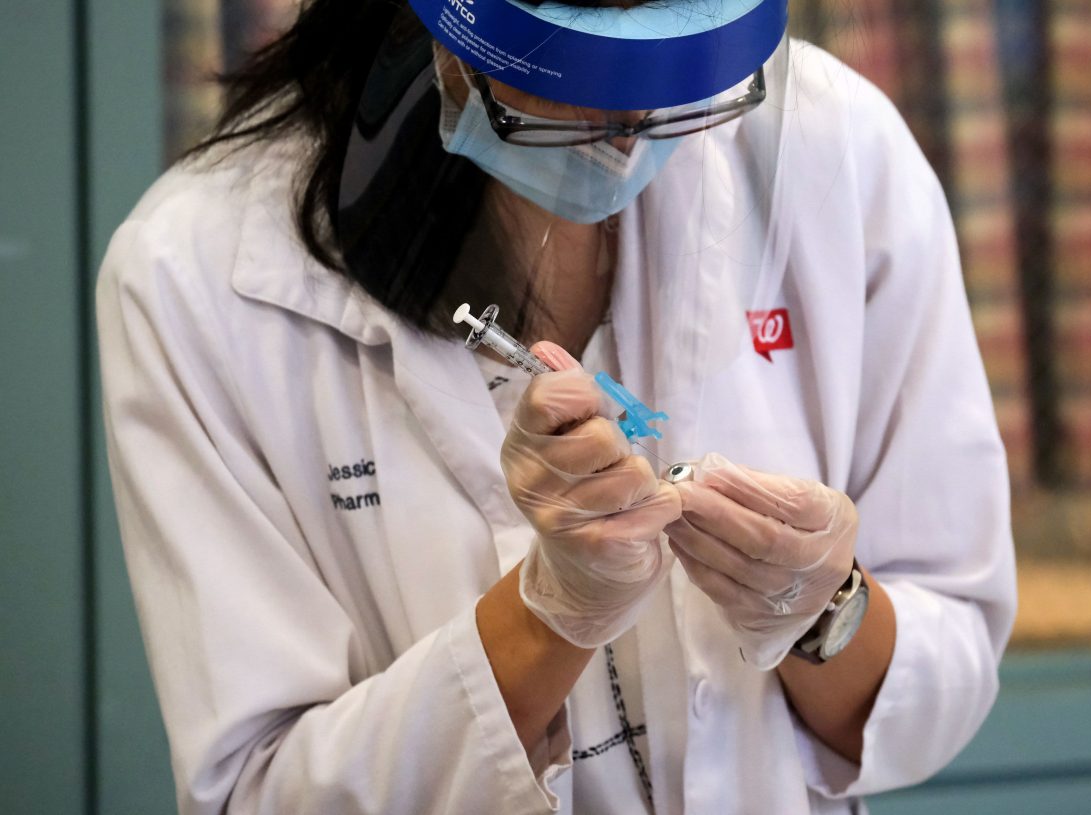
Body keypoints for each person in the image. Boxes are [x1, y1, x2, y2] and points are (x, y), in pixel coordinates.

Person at [96, 0, 1017, 812]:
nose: (632, 126)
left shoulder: (832, 146)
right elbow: (259, 794)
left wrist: (821, 608)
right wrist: (551, 614)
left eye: (671, 57)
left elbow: (949, 671)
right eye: (580, 71)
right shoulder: (197, 276)